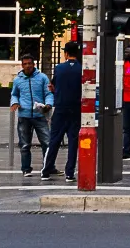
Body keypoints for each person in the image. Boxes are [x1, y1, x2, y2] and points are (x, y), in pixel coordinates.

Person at [46, 41, 83, 180]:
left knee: (54, 139)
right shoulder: (82, 69)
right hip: (76, 109)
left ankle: (46, 170)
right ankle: (69, 173)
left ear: (66, 53)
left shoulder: (59, 68)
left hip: (61, 108)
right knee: (73, 142)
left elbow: (53, 86)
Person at [10, 54, 52, 177]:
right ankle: (26, 169)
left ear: (34, 64)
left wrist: (48, 104)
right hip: (24, 115)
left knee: (47, 142)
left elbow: (48, 93)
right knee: (24, 144)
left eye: (29, 63)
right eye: (25, 64)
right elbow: (14, 94)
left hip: (40, 115)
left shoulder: (42, 78)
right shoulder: (18, 80)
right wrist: (15, 102)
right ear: (22, 65)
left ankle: (48, 167)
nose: (27, 66)